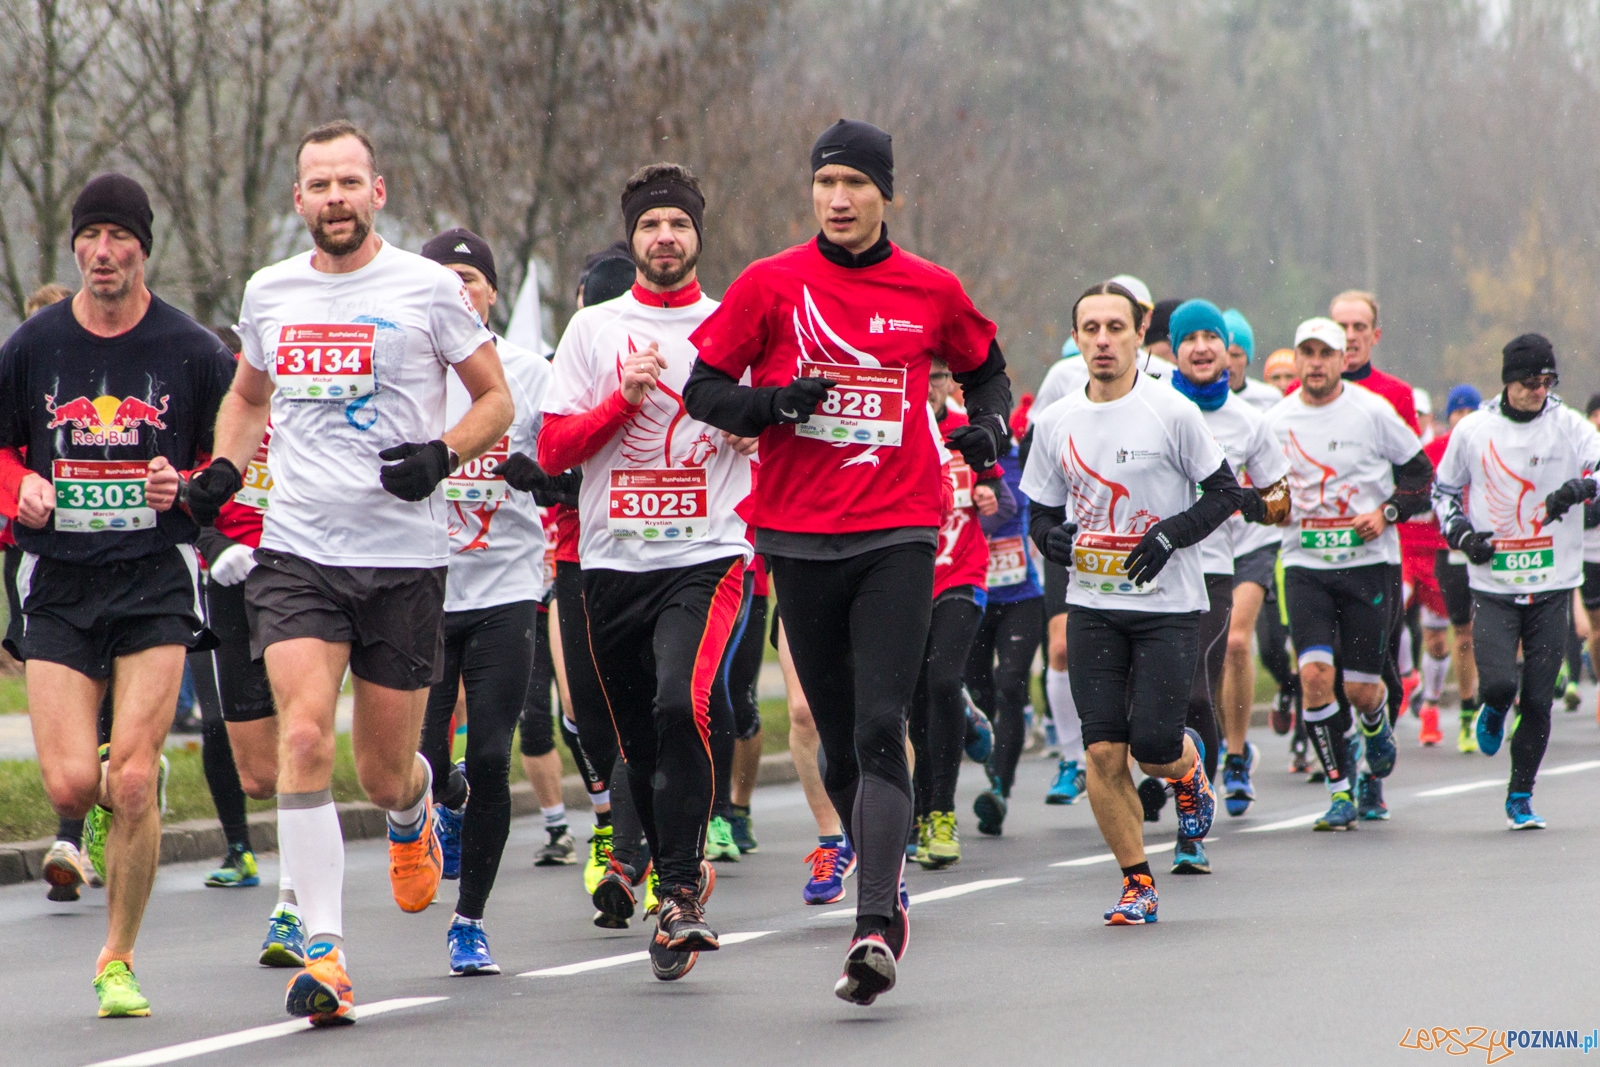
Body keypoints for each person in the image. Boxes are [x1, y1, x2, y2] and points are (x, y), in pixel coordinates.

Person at [683, 118, 1012, 1004]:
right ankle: (880, 867)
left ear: (885, 194)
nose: (838, 198)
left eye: (856, 184)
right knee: (837, 743)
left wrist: (989, 431)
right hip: (795, 536)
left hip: (899, 532)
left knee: (878, 726)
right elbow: (703, 390)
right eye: (826, 183)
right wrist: (775, 403)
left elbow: (988, 371)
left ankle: (874, 923)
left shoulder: (930, 289)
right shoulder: (769, 284)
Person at [204, 121, 513, 1025]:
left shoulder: (425, 288)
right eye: (318, 185)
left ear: (378, 192)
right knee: (303, 739)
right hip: (298, 550)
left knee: (381, 775)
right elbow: (249, 395)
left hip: (403, 560)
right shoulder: (271, 292)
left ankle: (417, 803)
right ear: (298, 200)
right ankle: (328, 951)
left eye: (349, 182)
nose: (334, 198)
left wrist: (440, 455)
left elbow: (496, 399)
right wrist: (226, 468)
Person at [0, 173, 237, 1017]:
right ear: (74, 246)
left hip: (154, 577)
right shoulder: (33, 345)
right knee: (71, 786)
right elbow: (0, 450)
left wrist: (194, 483)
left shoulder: (192, 350)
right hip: (59, 579)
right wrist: (18, 484)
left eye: (119, 238)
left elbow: (239, 451)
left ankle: (117, 958)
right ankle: (103, 798)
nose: (103, 253)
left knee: (132, 780)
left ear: (144, 246)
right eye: (90, 238)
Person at [539, 162, 750, 982]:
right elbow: (554, 449)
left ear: (699, 237)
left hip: (706, 554)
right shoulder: (593, 329)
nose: (665, 238)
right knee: (633, 743)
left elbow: (776, 424)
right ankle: (672, 894)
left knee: (679, 702)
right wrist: (620, 401)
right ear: (633, 239)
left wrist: (751, 433)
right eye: (651, 226)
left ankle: (682, 891)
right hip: (613, 563)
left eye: (679, 225)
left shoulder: (734, 324)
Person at [1020, 281, 1245, 923]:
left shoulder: (1169, 411)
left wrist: (1170, 534)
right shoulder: (1056, 420)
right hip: (1093, 602)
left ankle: (1188, 772)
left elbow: (1225, 493)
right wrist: (1050, 538)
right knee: (1101, 751)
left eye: (1114, 328)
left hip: (1168, 607)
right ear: (1077, 338)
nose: (1101, 340)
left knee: (1151, 746)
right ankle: (1136, 881)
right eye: (1089, 328)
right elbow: (1038, 509)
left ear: (1136, 336)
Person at [410, 227, 552, 976]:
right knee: (427, 762)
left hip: (505, 590)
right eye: (444, 277)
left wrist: (546, 474)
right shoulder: (406, 370)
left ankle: (470, 921)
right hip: (424, 591)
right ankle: (450, 800)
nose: (459, 288)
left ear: (492, 292)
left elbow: (572, 456)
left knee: (493, 754)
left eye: (471, 276)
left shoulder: (529, 372)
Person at [1264, 317, 1431, 831]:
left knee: (1362, 690)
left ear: (1342, 360)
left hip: (1368, 567)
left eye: (1325, 353)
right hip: (1305, 566)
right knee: (1315, 675)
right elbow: (1263, 487)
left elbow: (1420, 476)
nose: (1315, 363)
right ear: (1297, 360)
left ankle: (1375, 725)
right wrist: (1277, 508)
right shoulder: (1276, 419)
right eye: (1306, 353)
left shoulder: (1372, 412)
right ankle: (1339, 789)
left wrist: (1385, 514)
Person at [1431, 334, 1600, 829]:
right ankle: (1491, 706)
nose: (1539, 391)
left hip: (1552, 583)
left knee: (1539, 699)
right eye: (1530, 382)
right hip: (1494, 584)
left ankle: (1521, 794)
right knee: (1502, 682)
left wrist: (1581, 487)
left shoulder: (1569, 426)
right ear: (1508, 381)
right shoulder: (1475, 430)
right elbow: (1444, 491)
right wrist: (1461, 534)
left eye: (1547, 381)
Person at [1163, 301, 1289, 875]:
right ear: (1175, 348)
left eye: (1212, 336)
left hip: (1211, 570)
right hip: (1145, 572)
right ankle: (1164, 769)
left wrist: (1246, 501)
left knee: (1194, 692)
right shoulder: (1151, 405)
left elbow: (1280, 503)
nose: (1202, 347)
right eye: (1189, 339)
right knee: (1149, 702)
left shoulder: (1249, 422)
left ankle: (1194, 819)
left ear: (1227, 350)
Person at [11, 281, 105, 904]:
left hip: (121, 566)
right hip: (36, 558)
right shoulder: (18, 376)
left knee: (112, 707)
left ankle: (87, 823)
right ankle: (76, 821)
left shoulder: (100, 388)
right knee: (66, 710)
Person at [910, 359, 1012, 866]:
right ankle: (916, 812)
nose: (929, 387)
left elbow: (1007, 500)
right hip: (906, 583)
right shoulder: (893, 427)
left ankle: (941, 812)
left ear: (950, 383)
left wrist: (990, 495)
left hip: (962, 576)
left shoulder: (966, 431)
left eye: (938, 377)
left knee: (943, 682)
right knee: (911, 698)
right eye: (921, 375)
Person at [967, 400, 1046, 835]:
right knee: (976, 689)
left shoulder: (1024, 458)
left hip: (1022, 596)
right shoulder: (957, 459)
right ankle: (979, 731)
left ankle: (1000, 787)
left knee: (1010, 684)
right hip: (972, 595)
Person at [1427, 384, 1483, 751]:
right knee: (1462, 635)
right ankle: (1466, 713)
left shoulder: (1490, 444)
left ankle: (1510, 701)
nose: (1462, 419)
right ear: (1449, 416)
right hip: (1449, 552)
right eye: (1457, 412)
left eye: (1469, 412)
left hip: (1493, 552)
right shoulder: (1435, 450)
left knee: (1505, 633)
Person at [1222, 308, 1283, 413]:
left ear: (1248, 359)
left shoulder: (1270, 399)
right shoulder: (1195, 399)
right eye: (1222, 354)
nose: (1227, 363)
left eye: (1235, 355)